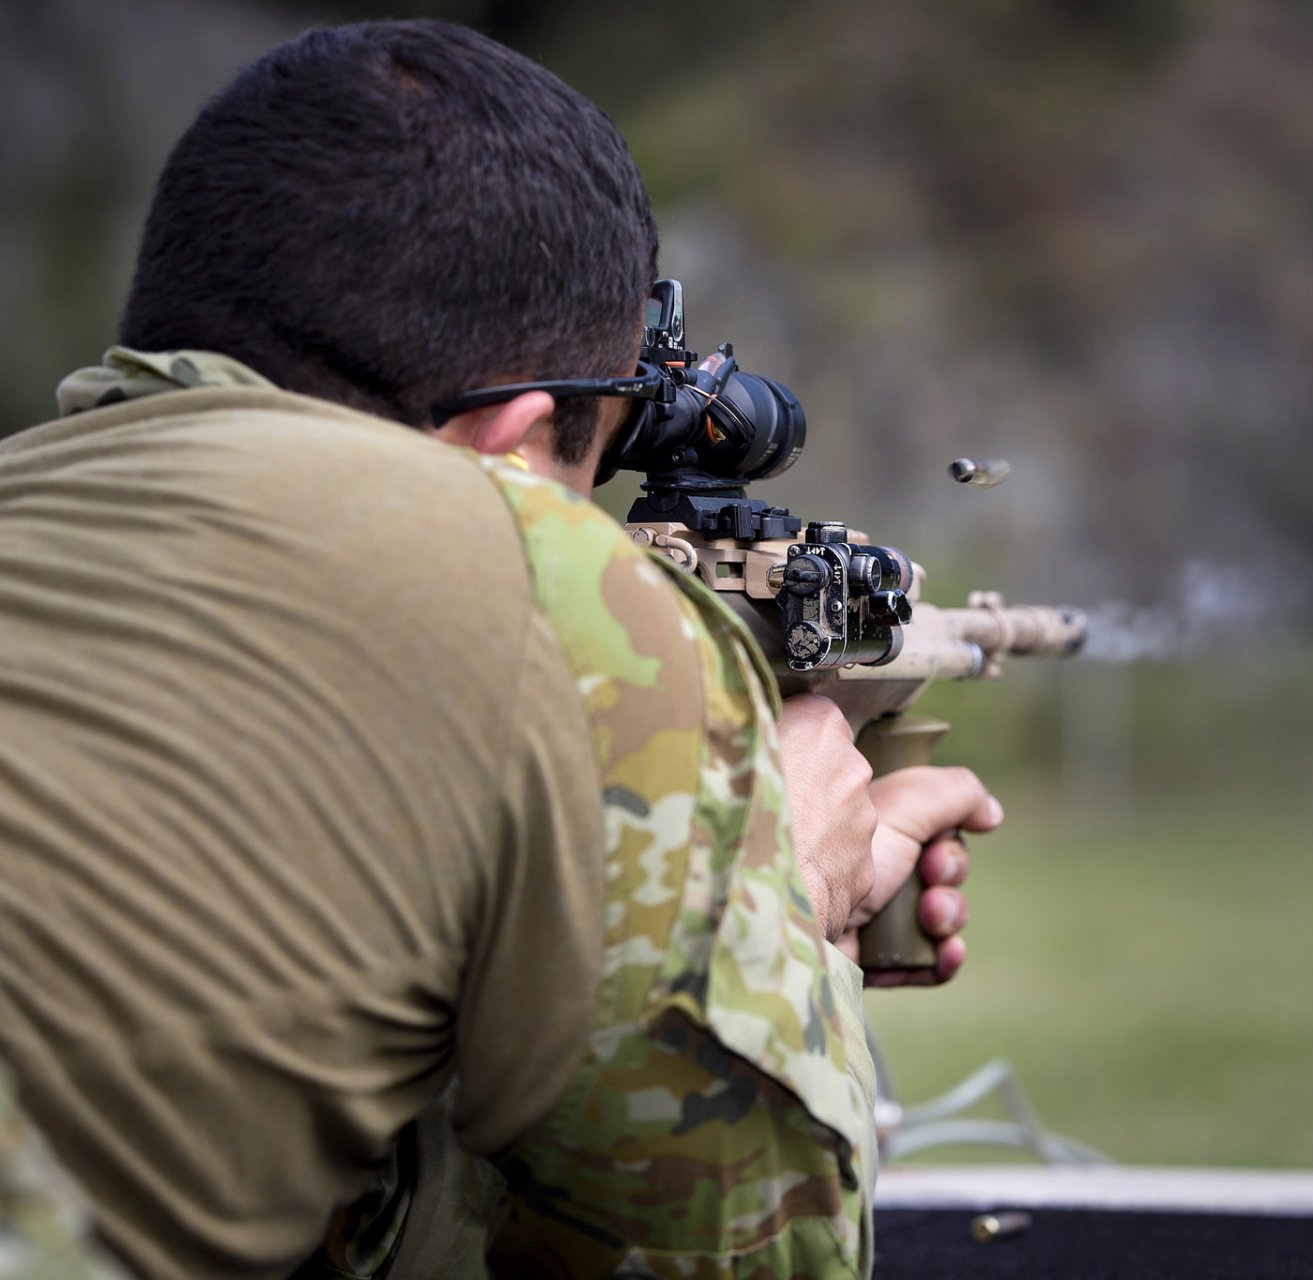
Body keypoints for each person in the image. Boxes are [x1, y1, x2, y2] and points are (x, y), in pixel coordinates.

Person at [0, 19, 996, 1280]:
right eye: (589, 467)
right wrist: (780, 904)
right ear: (518, 446)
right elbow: (741, 1250)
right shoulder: (540, 574)